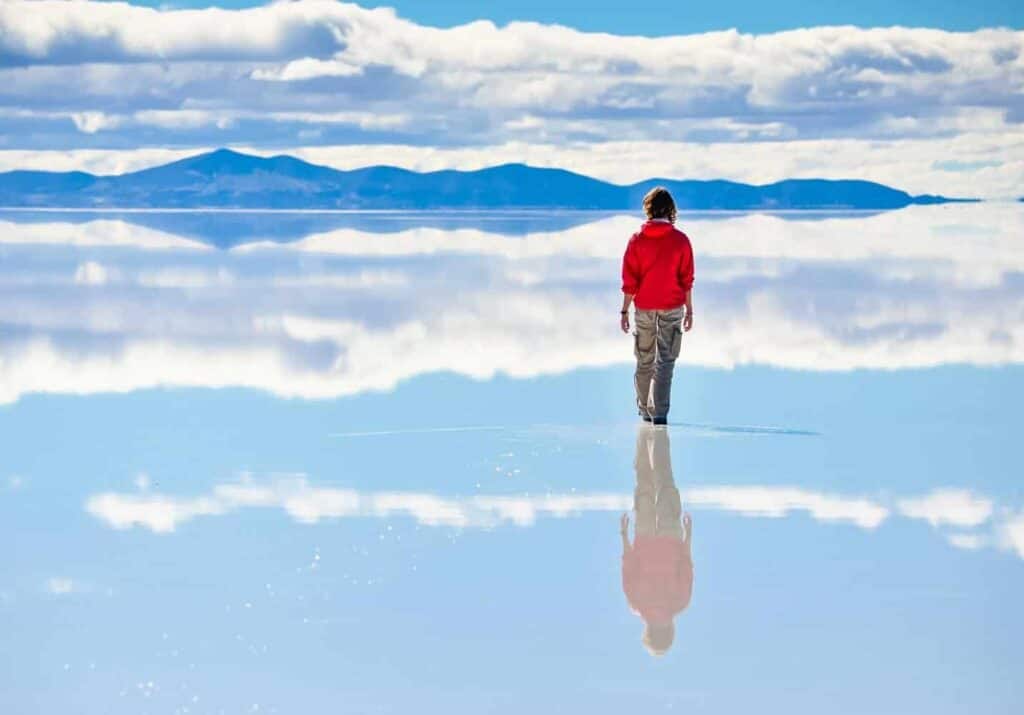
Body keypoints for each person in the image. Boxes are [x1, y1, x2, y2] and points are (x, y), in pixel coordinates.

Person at [620, 187, 695, 425]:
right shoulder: (681, 240)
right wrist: (690, 310)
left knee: (644, 360)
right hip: (672, 308)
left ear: (649, 209)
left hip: (643, 308)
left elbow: (629, 281)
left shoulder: (636, 240)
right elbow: (687, 280)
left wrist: (624, 310)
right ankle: (659, 414)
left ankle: (644, 411)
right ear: (671, 210)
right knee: (665, 362)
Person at [620, 425, 693, 656]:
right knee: (644, 481)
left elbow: (686, 565)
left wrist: (688, 534)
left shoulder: (680, 602)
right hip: (644, 533)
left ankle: (657, 431)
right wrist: (624, 535)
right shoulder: (636, 604)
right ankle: (644, 432)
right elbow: (628, 564)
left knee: (664, 477)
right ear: (648, 632)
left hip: (671, 535)